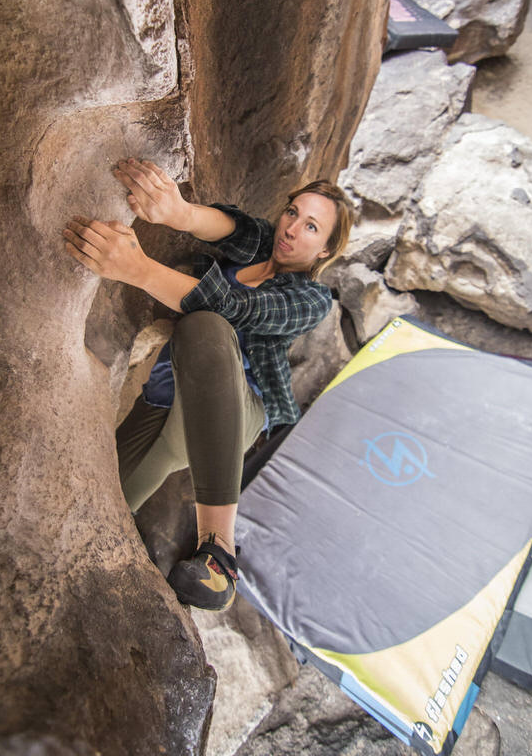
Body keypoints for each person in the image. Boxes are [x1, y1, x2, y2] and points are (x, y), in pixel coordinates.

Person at [63, 158, 353, 611]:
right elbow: (228, 226)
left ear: (324, 252)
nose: (292, 228)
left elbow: (236, 309)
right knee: (88, 512)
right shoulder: (262, 243)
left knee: (204, 325)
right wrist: (175, 211)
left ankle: (219, 551)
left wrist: (136, 268)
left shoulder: (310, 299)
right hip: (166, 403)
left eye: (312, 226)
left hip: (240, 409)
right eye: (293, 212)